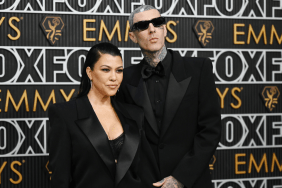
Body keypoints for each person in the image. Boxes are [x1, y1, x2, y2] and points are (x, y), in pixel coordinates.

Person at [116, 5, 222, 188]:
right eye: (142, 26)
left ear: (164, 29)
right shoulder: (125, 79)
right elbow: (126, 138)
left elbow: (210, 130)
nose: (151, 29)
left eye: (157, 23)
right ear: (132, 36)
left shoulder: (199, 69)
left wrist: (180, 178)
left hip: (191, 182)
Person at [48, 42, 158, 188]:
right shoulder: (65, 114)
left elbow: (145, 171)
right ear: (89, 72)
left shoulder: (135, 114)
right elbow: (60, 178)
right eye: (106, 70)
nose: (114, 77)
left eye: (119, 71)